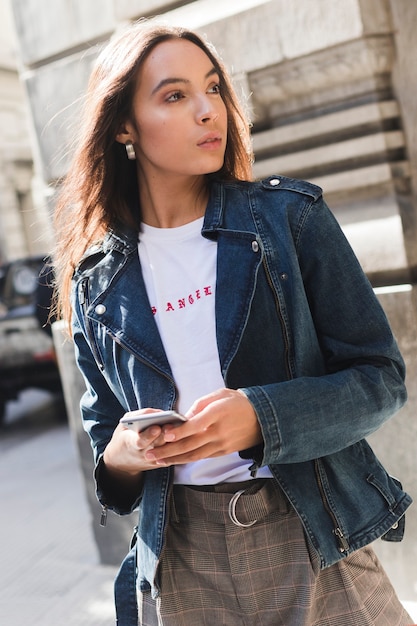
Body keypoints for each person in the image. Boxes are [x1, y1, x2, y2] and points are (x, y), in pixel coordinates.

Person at [53, 20, 413, 626]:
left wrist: (261, 415)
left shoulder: (288, 222)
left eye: (213, 88)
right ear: (122, 126)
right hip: (181, 559)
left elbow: (381, 378)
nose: (206, 110)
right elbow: (106, 443)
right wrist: (124, 451)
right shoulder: (97, 280)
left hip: (309, 533)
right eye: (175, 95)